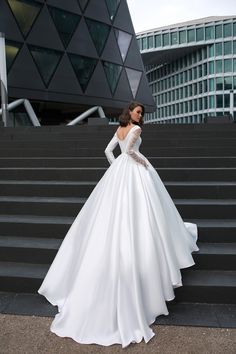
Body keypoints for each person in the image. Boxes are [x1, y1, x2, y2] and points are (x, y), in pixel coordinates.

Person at [38, 101, 198, 348]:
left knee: (116, 214)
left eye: (141, 113)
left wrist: (117, 169)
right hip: (134, 171)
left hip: (118, 173)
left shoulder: (119, 129)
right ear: (130, 112)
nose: (140, 115)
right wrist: (142, 163)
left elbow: (108, 152)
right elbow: (131, 152)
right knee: (144, 210)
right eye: (137, 111)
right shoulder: (135, 130)